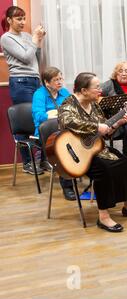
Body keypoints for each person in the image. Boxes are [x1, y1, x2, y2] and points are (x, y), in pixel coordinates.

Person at [58, 72, 127, 233]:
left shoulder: (94, 104)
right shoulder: (68, 104)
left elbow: (105, 132)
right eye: (96, 87)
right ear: (84, 90)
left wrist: (116, 123)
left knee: (124, 164)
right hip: (77, 154)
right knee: (104, 170)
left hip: (96, 147)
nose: (100, 90)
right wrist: (96, 127)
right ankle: (103, 216)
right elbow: (69, 122)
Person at [1, 5, 46, 174]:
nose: (22, 22)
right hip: (21, 82)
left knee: (40, 120)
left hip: (35, 80)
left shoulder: (27, 36)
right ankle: (28, 163)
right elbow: (26, 58)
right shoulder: (6, 38)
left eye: (24, 18)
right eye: (19, 19)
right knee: (25, 123)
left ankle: (41, 160)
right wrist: (34, 39)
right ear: (9, 20)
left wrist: (38, 41)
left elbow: (36, 58)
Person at [31, 66, 76, 200]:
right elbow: (38, 116)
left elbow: (74, 109)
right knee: (62, 151)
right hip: (45, 134)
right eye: (56, 80)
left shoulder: (64, 92)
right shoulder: (39, 94)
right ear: (47, 82)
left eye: (61, 78)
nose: (60, 82)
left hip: (64, 131)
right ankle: (67, 186)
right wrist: (54, 115)